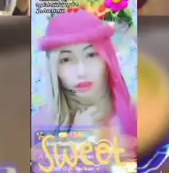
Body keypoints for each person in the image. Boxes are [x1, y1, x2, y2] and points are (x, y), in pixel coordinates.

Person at [32, 8, 137, 156]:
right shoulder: (40, 123)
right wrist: (76, 138)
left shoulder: (137, 116)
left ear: (107, 58)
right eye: (66, 59)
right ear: (54, 67)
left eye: (91, 55)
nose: (81, 72)